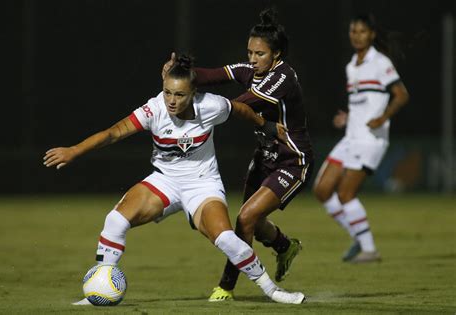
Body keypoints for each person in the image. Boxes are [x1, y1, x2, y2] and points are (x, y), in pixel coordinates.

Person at [43, 55, 305, 304]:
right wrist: (74, 151)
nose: (171, 100)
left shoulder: (210, 105)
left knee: (226, 238)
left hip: (203, 185)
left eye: (179, 94)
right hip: (165, 181)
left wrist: (265, 125)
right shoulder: (154, 109)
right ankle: (99, 289)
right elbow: (113, 133)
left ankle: (272, 290)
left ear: (193, 93)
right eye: (167, 92)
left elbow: (239, 109)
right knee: (115, 220)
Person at [163, 8, 313, 301]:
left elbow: (240, 104)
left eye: (260, 54)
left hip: (292, 161)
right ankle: (284, 246)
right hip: (265, 158)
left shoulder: (283, 77)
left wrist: (192, 101)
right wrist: (181, 76)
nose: (253, 59)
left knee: (245, 218)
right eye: (250, 53)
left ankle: (227, 286)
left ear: (276, 54)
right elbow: (214, 75)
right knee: (253, 224)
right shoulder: (252, 70)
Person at [313, 14, 409, 263]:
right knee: (322, 190)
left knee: (346, 193)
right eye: (353, 31)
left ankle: (369, 249)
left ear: (372, 34)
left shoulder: (380, 62)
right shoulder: (352, 65)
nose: (356, 36)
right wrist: (348, 117)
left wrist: (382, 117)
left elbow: (401, 94)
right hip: (351, 137)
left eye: (362, 31)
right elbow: (364, 101)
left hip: (370, 140)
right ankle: (358, 235)